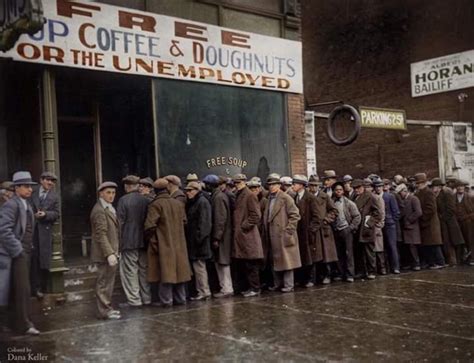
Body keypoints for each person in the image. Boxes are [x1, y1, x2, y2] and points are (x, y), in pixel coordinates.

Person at [0, 171, 40, 335]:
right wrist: (18, 251)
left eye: (30, 186)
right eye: (25, 186)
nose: (29, 190)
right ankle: (25, 324)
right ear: (16, 188)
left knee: (19, 289)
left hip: (25, 252)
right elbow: (3, 230)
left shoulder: (26, 204)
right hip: (14, 254)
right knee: (22, 289)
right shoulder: (12, 204)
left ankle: (16, 323)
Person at [144, 179, 192, 307]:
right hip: (179, 244)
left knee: (165, 273)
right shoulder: (177, 204)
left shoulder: (155, 204)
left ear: (155, 191)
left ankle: (166, 301)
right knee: (179, 272)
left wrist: (153, 241)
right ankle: (181, 299)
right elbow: (184, 222)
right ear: (167, 189)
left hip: (163, 244)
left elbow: (149, 226)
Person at [116, 175, 151, 308]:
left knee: (130, 272)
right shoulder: (146, 200)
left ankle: (135, 300)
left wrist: (118, 244)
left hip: (128, 241)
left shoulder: (123, 201)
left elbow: (119, 223)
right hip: (144, 241)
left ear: (127, 186)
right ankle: (147, 298)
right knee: (143, 271)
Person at [263, 173, 301, 292]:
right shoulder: (269, 198)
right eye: (270, 185)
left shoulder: (286, 198)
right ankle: (277, 284)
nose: (271, 187)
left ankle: (288, 285)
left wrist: (288, 231)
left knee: (287, 260)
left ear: (279, 185)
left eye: (274, 184)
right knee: (275, 260)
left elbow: (295, 215)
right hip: (272, 233)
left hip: (282, 234)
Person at [90, 181, 121, 320]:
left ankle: (107, 308)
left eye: (113, 193)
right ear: (101, 193)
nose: (111, 195)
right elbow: (100, 234)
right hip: (104, 254)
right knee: (103, 283)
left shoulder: (108, 208)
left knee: (108, 282)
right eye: (108, 192)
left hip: (111, 251)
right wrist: (109, 253)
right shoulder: (99, 210)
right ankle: (104, 311)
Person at [232, 174, 264, 297]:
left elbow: (256, 215)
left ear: (244, 182)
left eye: (239, 182)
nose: (237, 184)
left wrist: (243, 226)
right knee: (246, 264)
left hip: (248, 236)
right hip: (242, 236)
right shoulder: (238, 195)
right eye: (235, 182)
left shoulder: (250, 195)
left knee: (251, 264)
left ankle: (255, 288)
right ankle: (250, 287)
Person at [202, 174, 233, 298]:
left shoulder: (218, 197)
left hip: (222, 236)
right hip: (222, 235)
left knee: (223, 262)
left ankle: (226, 288)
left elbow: (220, 219)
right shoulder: (218, 196)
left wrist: (216, 238)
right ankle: (225, 287)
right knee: (220, 261)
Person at [29, 171, 60, 298]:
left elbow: (57, 214)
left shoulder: (54, 196)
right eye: (48, 180)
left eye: (52, 181)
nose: (50, 183)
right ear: (41, 180)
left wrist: (46, 214)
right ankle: (34, 289)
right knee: (33, 260)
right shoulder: (32, 191)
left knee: (44, 260)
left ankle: (43, 288)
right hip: (31, 231)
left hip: (45, 232)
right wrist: (33, 215)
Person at [184, 181, 212, 300]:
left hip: (199, 243)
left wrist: (198, 239)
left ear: (196, 190)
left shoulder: (201, 202)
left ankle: (204, 291)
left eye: (190, 190)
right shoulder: (198, 201)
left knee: (199, 268)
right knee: (198, 268)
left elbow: (205, 223)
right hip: (197, 242)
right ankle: (202, 291)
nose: (187, 193)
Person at [291, 174, 319, 287]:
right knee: (302, 255)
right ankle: (303, 278)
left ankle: (311, 279)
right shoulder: (295, 197)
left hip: (307, 232)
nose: (293, 186)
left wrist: (311, 230)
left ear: (302, 185)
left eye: (295, 184)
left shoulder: (310, 198)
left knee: (310, 256)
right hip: (299, 232)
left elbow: (317, 217)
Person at [353, 179, 384, 279]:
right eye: (355, 188)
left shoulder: (371, 197)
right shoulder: (354, 197)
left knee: (369, 252)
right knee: (359, 252)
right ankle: (362, 271)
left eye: (358, 188)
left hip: (367, 229)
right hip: (357, 228)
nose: (356, 190)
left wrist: (369, 223)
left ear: (363, 187)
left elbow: (378, 214)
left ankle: (371, 271)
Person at [431, 178, 465, 265]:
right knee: (446, 242)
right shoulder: (437, 194)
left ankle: (453, 261)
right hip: (444, 222)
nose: (432, 189)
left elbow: (451, 208)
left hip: (449, 222)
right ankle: (451, 261)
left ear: (438, 187)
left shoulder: (446, 193)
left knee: (450, 242)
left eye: (434, 187)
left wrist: (443, 218)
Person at [414, 173, 445, 269]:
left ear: (424, 183)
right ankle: (431, 262)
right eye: (417, 183)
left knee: (434, 244)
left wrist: (423, 218)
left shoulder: (428, 192)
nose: (418, 185)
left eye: (420, 183)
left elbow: (431, 209)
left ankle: (440, 262)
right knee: (428, 244)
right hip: (425, 223)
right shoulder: (418, 193)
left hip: (430, 223)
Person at [332, 182, 361, 282]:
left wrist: (351, 227)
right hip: (336, 230)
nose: (338, 192)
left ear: (343, 191)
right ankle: (340, 273)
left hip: (346, 230)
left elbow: (357, 216)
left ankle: (350, 274)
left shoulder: (349, 203)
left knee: (348, 253)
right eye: (336, 190)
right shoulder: (332, 202)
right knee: (339, 253)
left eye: (340, 190)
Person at [313, 175, 338, 284]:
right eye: (311, 185)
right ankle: (318, 276)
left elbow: (334, 211)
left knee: (327, 254)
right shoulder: (308, 197)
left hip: (324, 229)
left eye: (315, 185)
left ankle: (328, 275)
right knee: (316, 254)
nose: (313, 188)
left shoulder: (324, 196)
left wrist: (326, 220)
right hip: (314, 229)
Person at [395, 184, 422, 270]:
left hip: (412, 227)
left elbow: (418, 212)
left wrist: (409, 220)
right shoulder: (403, 200)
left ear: (405, 191)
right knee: (408, 246)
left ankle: (416, 263)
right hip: (406, 227)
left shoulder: (413, 199)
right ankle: (411, 263)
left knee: (412, 246)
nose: (400, 195)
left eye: (400, 193)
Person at [381, 178, 401, 274]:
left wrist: (392, 221)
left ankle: (396, 267)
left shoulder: (389, 196)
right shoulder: (376, 197)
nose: (378, 188)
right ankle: (387, 267)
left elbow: (396, 212)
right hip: (381, 225)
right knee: (383, 247)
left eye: (380, 186)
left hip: (390, 224)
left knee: (392, 246)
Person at [454, 180, 474, 266]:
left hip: (468, 222)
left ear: (464, 187)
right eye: (458, 186)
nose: (460, 188)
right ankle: (461, 259)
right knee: (459, 241)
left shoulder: (470, 197)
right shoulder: (453, 197)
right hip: (457, 222)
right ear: (456, 188)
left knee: (470, 240)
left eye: (461, 186)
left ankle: (472, 258)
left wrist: (468, 218)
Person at [372, 178, 387, 275]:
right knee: (374, 248)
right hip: (372, 225)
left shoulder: (378, 198)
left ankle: (382, 267)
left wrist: (380, 224)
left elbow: (382, 212)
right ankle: (377, 268)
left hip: (377, 226)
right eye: (376, 187)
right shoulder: (372, 197)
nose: (378, 188)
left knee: (379, 247)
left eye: (379, 186)